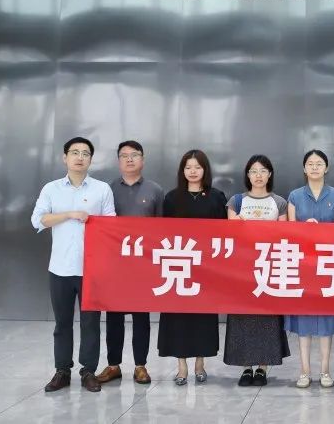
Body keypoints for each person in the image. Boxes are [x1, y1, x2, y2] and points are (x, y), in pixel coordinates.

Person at [31, 137, 116, 393]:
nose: (80, 157)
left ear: (91, 159)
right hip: (60, 268)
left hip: (92, 270)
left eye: (85, 153)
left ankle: (88, 371)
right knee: (62, 323)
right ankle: (62, 371)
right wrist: (69, 214)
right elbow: (38, 220)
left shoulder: (102, 189)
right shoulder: (51, 189)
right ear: (65, 157)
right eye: (75, 152)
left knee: (91, 323)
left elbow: (112, 225)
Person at [96, 140, 164, 386]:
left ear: (142, 160)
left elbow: (162, 229)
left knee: (141, 317)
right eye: (124, 155)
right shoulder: (107, 189)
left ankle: (140, 366)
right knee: (113, 316)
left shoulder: (155, 190)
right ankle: (113, 365)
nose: (129, 159)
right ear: (118, 161)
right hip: (114, 264)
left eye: (134, 155)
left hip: (142, 265)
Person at [157, 149, 226, 385]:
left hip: (206, 267)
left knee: (202, 317)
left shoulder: (216, 197)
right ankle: (181, 366)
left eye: (197, 167)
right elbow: (163, 233)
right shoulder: (172, 198)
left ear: (205, 170)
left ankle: (200, 363)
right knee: (178, 318)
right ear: (182, 171)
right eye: (188, 167)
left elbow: (224, 233)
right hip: (178, 266)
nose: (193, 171)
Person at [224, 154, 291, 387]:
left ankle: (262, 367)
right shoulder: (236, 201)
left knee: (266, 316)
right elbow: (230, 234)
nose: (258, 175)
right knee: (242, 316)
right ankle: (246, 367)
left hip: (268, 266)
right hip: (242, 268)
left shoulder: (279, 202)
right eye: (254, 171)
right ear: (248, 175)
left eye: (263, 170)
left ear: (269, 174)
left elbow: (284, 235)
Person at [285, 149, 334, 388]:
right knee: (303, 321)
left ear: (326, 168)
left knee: (326, 320)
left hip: (328, 264)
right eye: (310, 164)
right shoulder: (294, 196)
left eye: (319, 163)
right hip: (302, 265)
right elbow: (289, 232)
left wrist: (323, 229)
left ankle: (325, 371)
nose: (314, 167)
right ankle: (304, 372)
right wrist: (304, 229)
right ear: (304, 168)